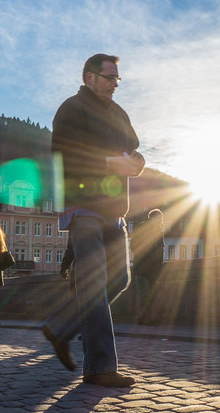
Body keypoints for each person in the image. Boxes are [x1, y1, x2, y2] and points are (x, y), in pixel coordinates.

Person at [41, 53, 144, 387]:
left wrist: (137, 162)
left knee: (120, 280)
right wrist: (107, 162)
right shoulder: (71, 108)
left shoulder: (119, 113)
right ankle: (100, 368)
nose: (115, 84)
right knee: (96, 283)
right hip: (83, 206)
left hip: (115, 208)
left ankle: (62, 327)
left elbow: (134, 149)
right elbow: (64, 155)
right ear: (89, 78)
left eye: (118, 79)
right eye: (110, 78)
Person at [131, 208, 165, 324]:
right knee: (147, 293)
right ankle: (146, 318)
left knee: (148, 294)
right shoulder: (145, 228)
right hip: (145, 267)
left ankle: (145, 318)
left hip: (148, 268)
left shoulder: (158, 230)